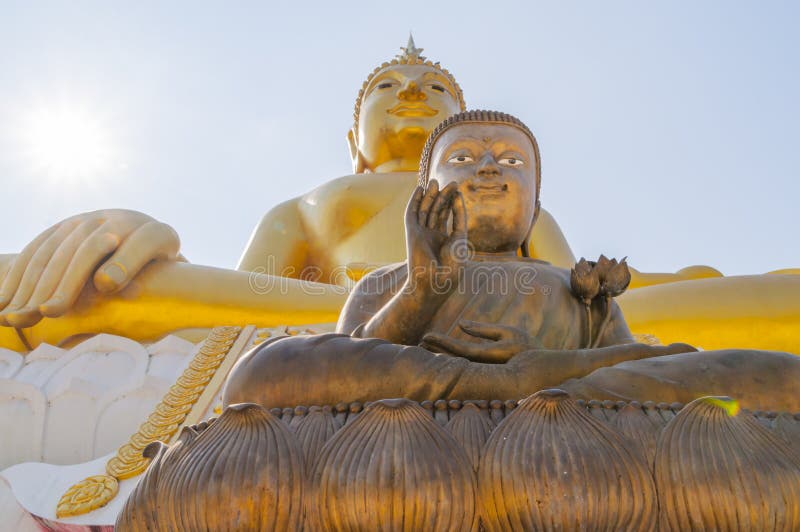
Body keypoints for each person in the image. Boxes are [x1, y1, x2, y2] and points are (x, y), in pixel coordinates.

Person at [223, 111, 800, 413]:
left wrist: (539, 364)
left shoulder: (573, 290)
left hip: (561, 417)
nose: (489, 168)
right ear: (423, 193)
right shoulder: (390, 279)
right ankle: (520, 385)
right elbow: (347, 365)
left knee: (762, 377)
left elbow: (635, 362)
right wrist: (423, 289)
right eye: (465, 157)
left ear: (537, 206)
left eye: (510, 161)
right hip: (418, 417)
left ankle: (524, 383)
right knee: (260, 371)